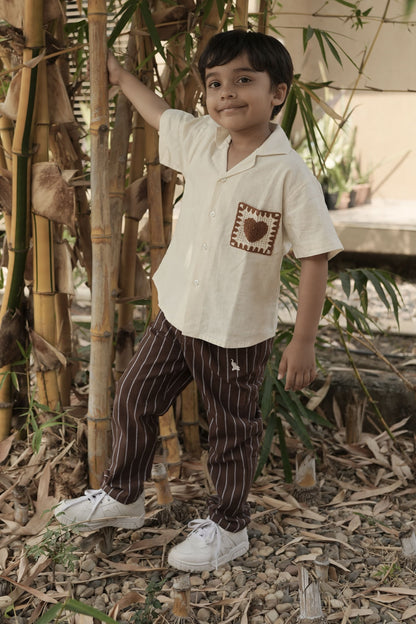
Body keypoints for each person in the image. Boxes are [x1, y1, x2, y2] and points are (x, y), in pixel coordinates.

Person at [55, 29, 343, 572]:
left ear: (278, 92)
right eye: (215, 83)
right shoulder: (204, 142)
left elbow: (315, 258)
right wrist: (119, 78)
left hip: (235, 330)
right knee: (133, 398)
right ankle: (123, 497)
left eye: (243, 80)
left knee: (231, 430)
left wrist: (302, 340)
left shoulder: (288, 173)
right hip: (178, 314)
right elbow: (161, 114)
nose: (227, 93)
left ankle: (230, 526)